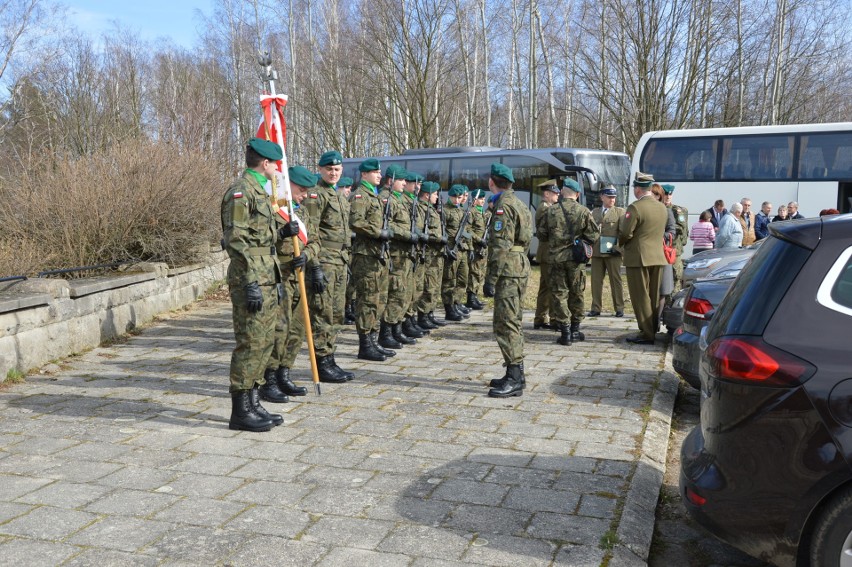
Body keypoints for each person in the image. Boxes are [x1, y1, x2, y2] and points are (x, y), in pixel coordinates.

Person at [220, 137, 284, 432]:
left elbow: (262, 239)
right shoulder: (241, 191)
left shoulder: (261, 190)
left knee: (265, 341)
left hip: (267, 274)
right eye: (276, 164)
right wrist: (250, 283)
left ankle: (254, 401)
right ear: (265, 163)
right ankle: (240, 411)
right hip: (251, 277)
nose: (278, 169)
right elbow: (236, 240)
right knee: (250, 342)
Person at [260, 165, 316, 407]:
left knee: (296, 328)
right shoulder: (273, 208)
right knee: (279, 329)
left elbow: (315, 242)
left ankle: (285, 373)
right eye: (301, 190)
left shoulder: (300, 212)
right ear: (287, 184)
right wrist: (281, 232)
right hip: (280, 276)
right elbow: (259, 241)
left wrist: (308, 256)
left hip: (299, 274)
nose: (304, 195)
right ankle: (269, 379)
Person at [300, 151, 354, 384]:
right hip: (324, 260)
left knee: (337, 311)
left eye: (337, 169)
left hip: (340, 260)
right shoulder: (315, 195)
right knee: (323, 311)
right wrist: (315, 266)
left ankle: (330, 357)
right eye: (329, 169)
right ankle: (322, 361)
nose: (333, 173)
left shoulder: (340, 196)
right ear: (320, 169)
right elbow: (310, 233)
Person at [483, 163, 532, 397]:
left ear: (492, 182)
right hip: (519, 265)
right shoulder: (519, 202)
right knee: (512, 319)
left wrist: (490, 279)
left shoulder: (503, 206)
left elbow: (501, 246)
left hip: (508, 269)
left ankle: (515, 378)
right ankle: (516, 372)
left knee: (506, 322)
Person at [540, 178, 599, 345]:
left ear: (562, 192)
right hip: (576, 259)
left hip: (555, 259)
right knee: (577, 293)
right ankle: (575, 329)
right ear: (577, 194)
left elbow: (542, 235)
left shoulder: (550, 211)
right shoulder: (583, 211)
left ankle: (564, 331)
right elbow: (594, 235)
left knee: (559, 294)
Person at [349, 158, 394, 361]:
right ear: (364, 174)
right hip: (366, 255)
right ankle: (365, 344)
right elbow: (356, 222)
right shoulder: (360, 196)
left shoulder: (374, 196)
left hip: (378, 254)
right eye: (375, 172)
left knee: (378, 298)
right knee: (367, 299)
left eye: (379, 172)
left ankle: (373, 341)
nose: (379, 175)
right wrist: (378, 232)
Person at [618, 172, 668, 346]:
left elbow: (625, 232)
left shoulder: (635, 208)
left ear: (638, 189)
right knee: (653, 296)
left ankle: (647, 334)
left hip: (638, 256)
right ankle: (652, 328)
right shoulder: (662, 207)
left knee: (640, 296)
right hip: (657, 256)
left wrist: (620, 243)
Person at [588, 185, 625, 318]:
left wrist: (619, 249)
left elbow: (623, 233)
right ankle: (596, 307)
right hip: (597, 251)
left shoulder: (620, 212)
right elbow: (590, 231)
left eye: (614, 197)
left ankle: (619, 308)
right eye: (609, 197)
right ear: (602, 197)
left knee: (616, 280)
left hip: (612, 251)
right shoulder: (595, 212)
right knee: (596, 281)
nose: (612, 200)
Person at [442, 184, 471, 322]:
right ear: (450, 196)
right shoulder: (444, 211)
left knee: (462, 279)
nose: (457, 200)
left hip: (461, 249)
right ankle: (449, 308)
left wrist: (469, 246)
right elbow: (442, 232)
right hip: (451, 250)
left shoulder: (461, 211)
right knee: (449, 281)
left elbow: (465, 231)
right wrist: (446, 249)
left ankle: (456, 304)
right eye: (455, 197)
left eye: (460, 197)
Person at [533, 180, 560, 328]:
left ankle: (541, 318)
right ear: (547, 194)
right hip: (548, 252)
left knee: (545, 287)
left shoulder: (547, 207)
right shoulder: (545, 209)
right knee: (551, 287)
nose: (557, 195)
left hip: (546, 252)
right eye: (555, 193)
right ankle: (551, 318)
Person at [651, 184, 677, 327]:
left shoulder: (667, 212)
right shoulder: (645, 210)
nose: (653, 197)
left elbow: (672, 232)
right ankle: (648, 323)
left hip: (662, 254)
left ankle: (657, 321)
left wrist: (659, 235)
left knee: (662, 290)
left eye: (656, 195)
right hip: (647, 254)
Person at [662, 184, 688, 291]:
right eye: (665, 194)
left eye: (670, 194)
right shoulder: (656, 208)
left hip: (673, 249)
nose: (668, 197)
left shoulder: (677, 210)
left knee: (675, 277)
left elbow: (681, 227)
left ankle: (672, 303)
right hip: (658, 249)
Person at [466, 188, 488, 310]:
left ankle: (475, 295)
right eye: (481, 199)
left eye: (484, 199)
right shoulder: (472, 212)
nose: (483, 201)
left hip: (482, 248)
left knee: (480, 273)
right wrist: (478, 240)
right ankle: (471, 298)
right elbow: (467, 230)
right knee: (474, 273)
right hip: (475, 247)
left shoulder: (482, 212)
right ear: (475, 199)